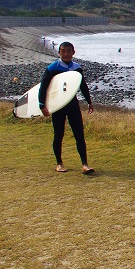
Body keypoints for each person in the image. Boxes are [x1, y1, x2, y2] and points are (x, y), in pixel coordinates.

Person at [38, 41, 95, 174]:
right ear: (59, 52)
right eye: (63, 51)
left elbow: (82, 85)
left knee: (79, 134)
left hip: (73, 104)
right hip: (58, 105)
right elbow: (43, 87)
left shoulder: (77, 67)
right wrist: (42, 105)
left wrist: (89, 101)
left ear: (73, 53)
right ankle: (59, 163)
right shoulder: (53, 68)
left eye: (69, 51)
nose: (66, 53)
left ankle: (85, 165)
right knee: (59, 134)